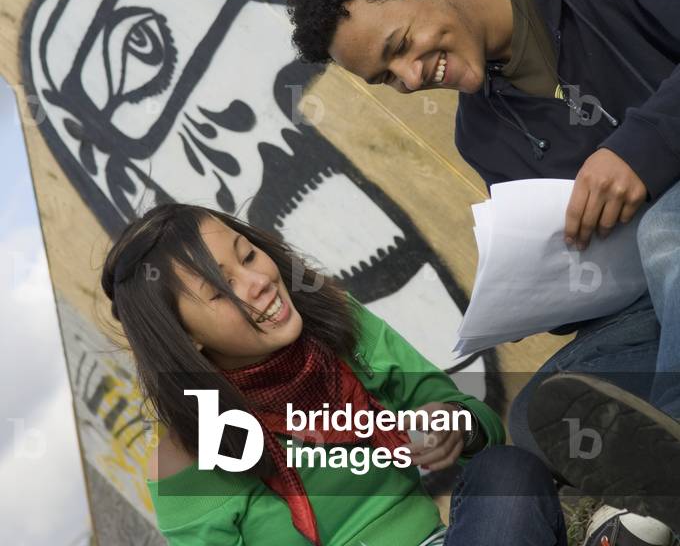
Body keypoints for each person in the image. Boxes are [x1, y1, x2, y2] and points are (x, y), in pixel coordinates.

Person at [285, 0, 680, 531]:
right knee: (539, 414)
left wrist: (642, 149)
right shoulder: (483, 137)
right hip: (656, 296)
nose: (411, 79)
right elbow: (606, 296)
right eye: (388, 78)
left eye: (401, 46)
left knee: (668, 230)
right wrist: (554, 285)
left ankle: (657, 500)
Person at [101, 202, 573, 546]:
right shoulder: (188, 455)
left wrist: (453, 421)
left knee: (507, 471)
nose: (259, 281)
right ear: (187, 339)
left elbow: (482, 429)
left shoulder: (336, 323)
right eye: (221, 291)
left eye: (247, 257)